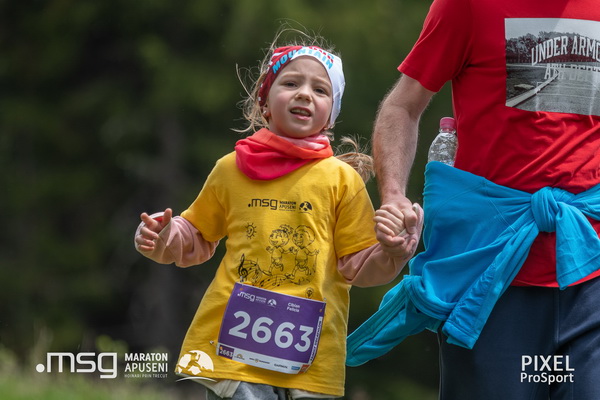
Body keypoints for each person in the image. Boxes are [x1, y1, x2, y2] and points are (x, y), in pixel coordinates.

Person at [134, 30, 417, 400]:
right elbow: (196, 235)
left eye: (320, 89)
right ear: (264, 101)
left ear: (331, 114)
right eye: (291, 83)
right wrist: (165, 235)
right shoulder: (230, 169)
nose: (304, 94)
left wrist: (393, 252)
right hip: (231, 355)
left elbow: (359, 266)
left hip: (310, 361)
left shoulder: (342, 180)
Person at [349, 0, 600, 399]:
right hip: (489, 278)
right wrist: (394, 196)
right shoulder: (465, 5)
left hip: (589, 275)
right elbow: (402, 106)